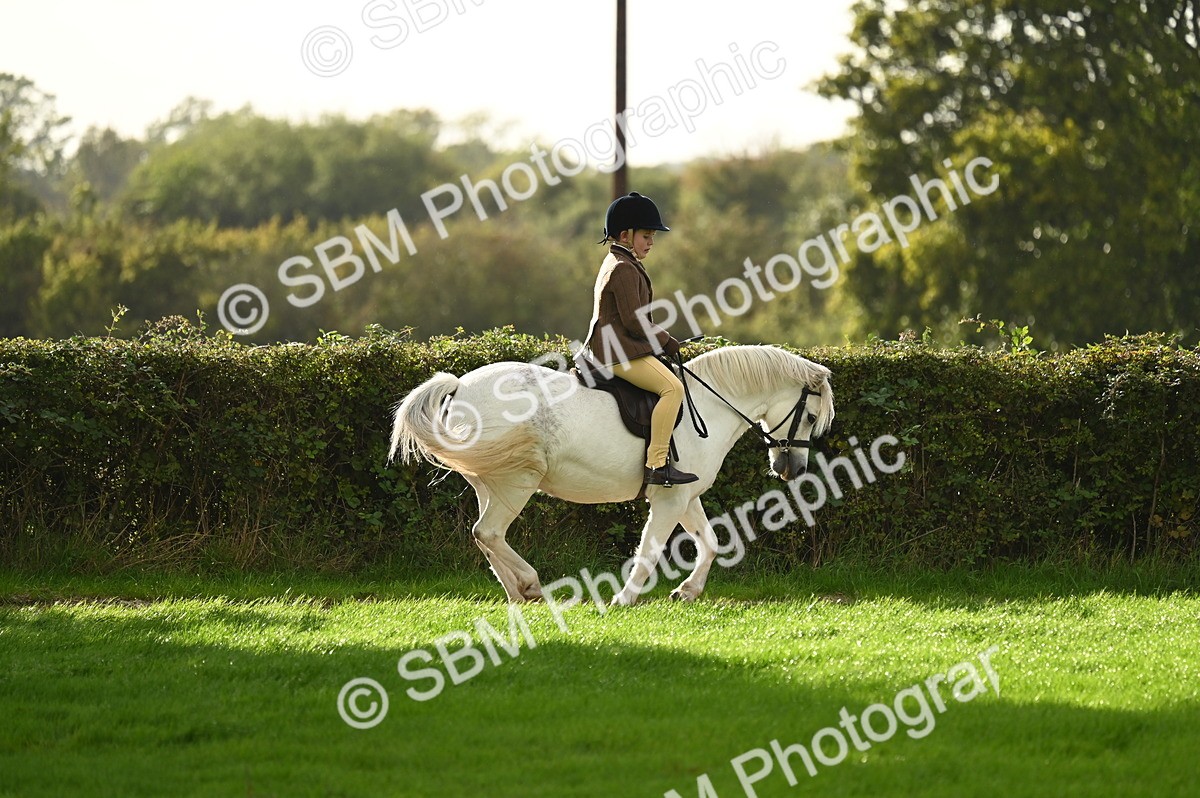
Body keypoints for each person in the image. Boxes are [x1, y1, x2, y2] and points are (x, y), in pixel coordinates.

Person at [583, 192, 699, 487]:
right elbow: (635, 322)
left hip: (619, 345)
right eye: (646, 236)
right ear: (625, 234)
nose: (651, 242)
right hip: (616, 351)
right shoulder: (622, 268)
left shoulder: (621, 260)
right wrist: (667, 340)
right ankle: (657, 464)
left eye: (651, 237)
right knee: (672, 389)